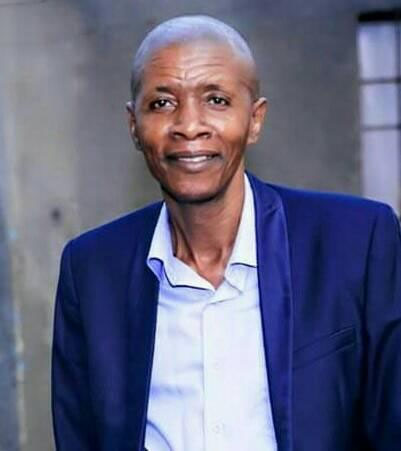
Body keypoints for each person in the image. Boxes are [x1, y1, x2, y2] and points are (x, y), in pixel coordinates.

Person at [51, 15, 401, 451]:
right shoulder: (91, 270)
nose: (189, 125)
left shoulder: (355, 243)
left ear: (255, 119)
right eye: (162, 103)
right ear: (133, 125)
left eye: (216, 100)